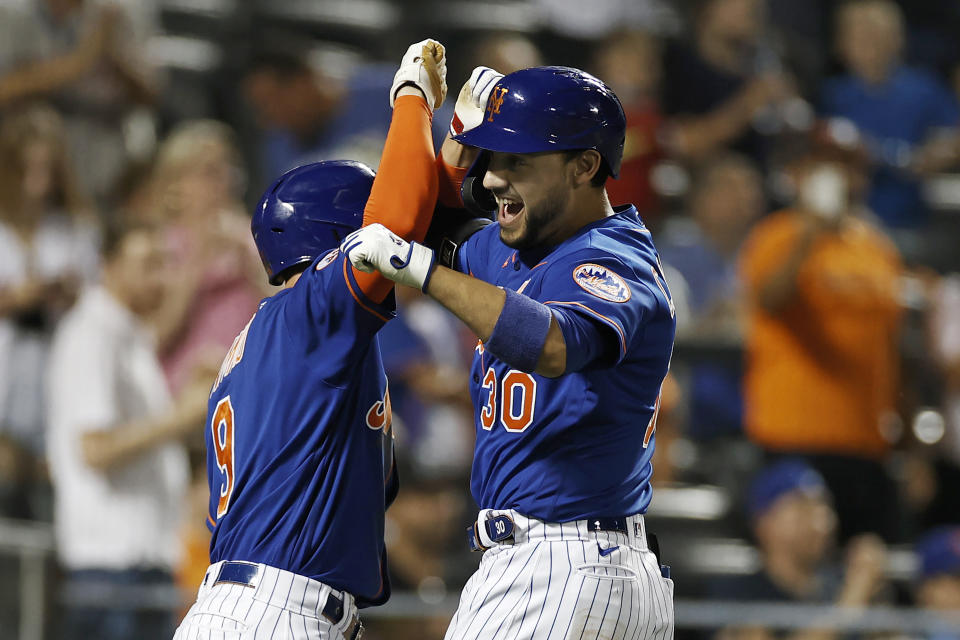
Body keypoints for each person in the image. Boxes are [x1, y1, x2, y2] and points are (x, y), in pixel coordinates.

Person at [343, 65, 676, 638]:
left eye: (516, 161)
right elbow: (414, 229)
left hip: (564, 564)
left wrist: (420, 270)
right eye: (491, 159)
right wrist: (443, 129)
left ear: (584, 165)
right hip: (568, 565)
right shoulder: (507, 250)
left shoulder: (615, 258)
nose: (494, 178)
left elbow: (554, 343)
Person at [173, 38, 447, 639]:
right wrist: (411, 102)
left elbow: (421, 219)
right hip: (278, 610)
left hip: (254, 605)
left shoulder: (288, 334)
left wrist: (452, 154)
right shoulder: (310, 315)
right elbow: (390, 234)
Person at [738, 125, 904, 542]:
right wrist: (809, 233)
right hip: (792, 437)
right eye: (829, 166)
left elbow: (891, 347)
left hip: (865, 442)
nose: (842, 177)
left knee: (865, 569)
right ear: (801, 174)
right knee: (795, 568)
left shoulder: (877, 248)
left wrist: (908, 442)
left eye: (850, 166)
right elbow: (771, 298)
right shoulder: (776, 235)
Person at [46, 223, 208, 640]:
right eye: (148, 265)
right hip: (111, 570)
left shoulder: (129, 337)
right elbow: (95, 450)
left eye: (165, 263)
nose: (162, 278)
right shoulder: (90, 335)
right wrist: (181, 416)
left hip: (143, 564)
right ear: (108, 267)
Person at [0, 105, 100, 458]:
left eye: (48, 168)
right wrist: (14, 299)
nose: (39, 180)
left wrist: (68, 293)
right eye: (29, 167)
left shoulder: (76, 228)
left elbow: (95, 297)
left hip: (55, 356)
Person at [711, 459, 891, 640]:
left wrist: (879, 604)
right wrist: (848, 607)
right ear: (764, 523)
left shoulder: (840, 583)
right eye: (803, 507)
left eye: (825, 507)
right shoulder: (739, 594)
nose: (822, 521)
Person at [821, 0, 960, 230]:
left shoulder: (923, 89)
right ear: (842, 44)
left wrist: (930, 157)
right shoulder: (835, 95)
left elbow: (954, 137)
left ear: (898, 39)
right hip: (850, 220)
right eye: (860, 35)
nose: (870, 44)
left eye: (878, 34)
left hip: (913, 216)